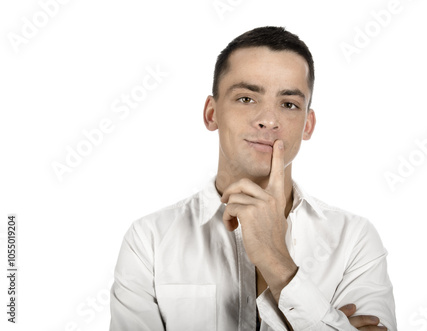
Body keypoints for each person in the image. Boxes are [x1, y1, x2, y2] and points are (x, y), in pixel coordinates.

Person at [110, 26, 397, 331]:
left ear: (308, 125)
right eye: (246, 99)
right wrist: (328, 322)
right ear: (211, 113)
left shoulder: (354, 240)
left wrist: (276, 261)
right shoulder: (149, 240)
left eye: (288, 104)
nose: (268, 120)